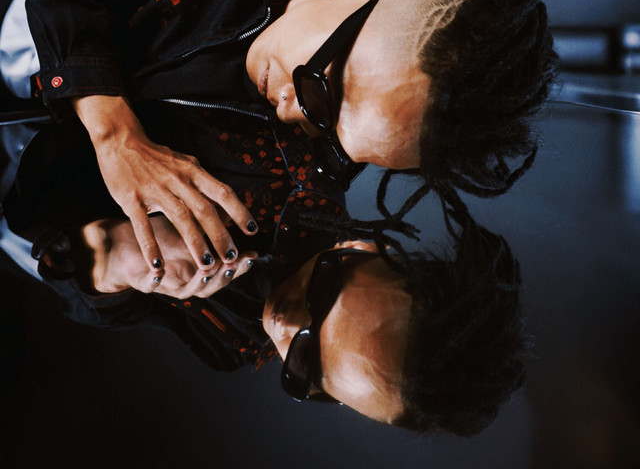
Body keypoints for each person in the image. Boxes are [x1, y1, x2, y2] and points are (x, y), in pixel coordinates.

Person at [0, 0, 557, 280]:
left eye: (334, 142)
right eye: (321, 89)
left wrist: (118, 271)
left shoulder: (302, 204)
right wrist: (115, 134)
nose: (293, 117)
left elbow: (92, 287)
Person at [5, 188, 526, 436]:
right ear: (366, 251)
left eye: (307, 369)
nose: (283, 325)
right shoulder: (286, 174)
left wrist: (112, 268)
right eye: (320, 299)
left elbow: (92, 310)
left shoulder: (228, 346)